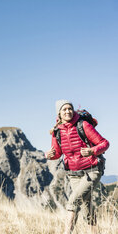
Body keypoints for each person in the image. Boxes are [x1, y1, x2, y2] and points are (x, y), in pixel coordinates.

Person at [45, 100, 109, 234]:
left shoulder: (83, 125)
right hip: (74, 174)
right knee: (87, 207)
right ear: (59, 113)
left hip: (92, 170)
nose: (68, 111)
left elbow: (104, 143)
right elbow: (57, 153)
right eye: (64, 110)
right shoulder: (56, 132)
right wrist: (49, 155)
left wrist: (92, 151)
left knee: (72, 203)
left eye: (70, 109)